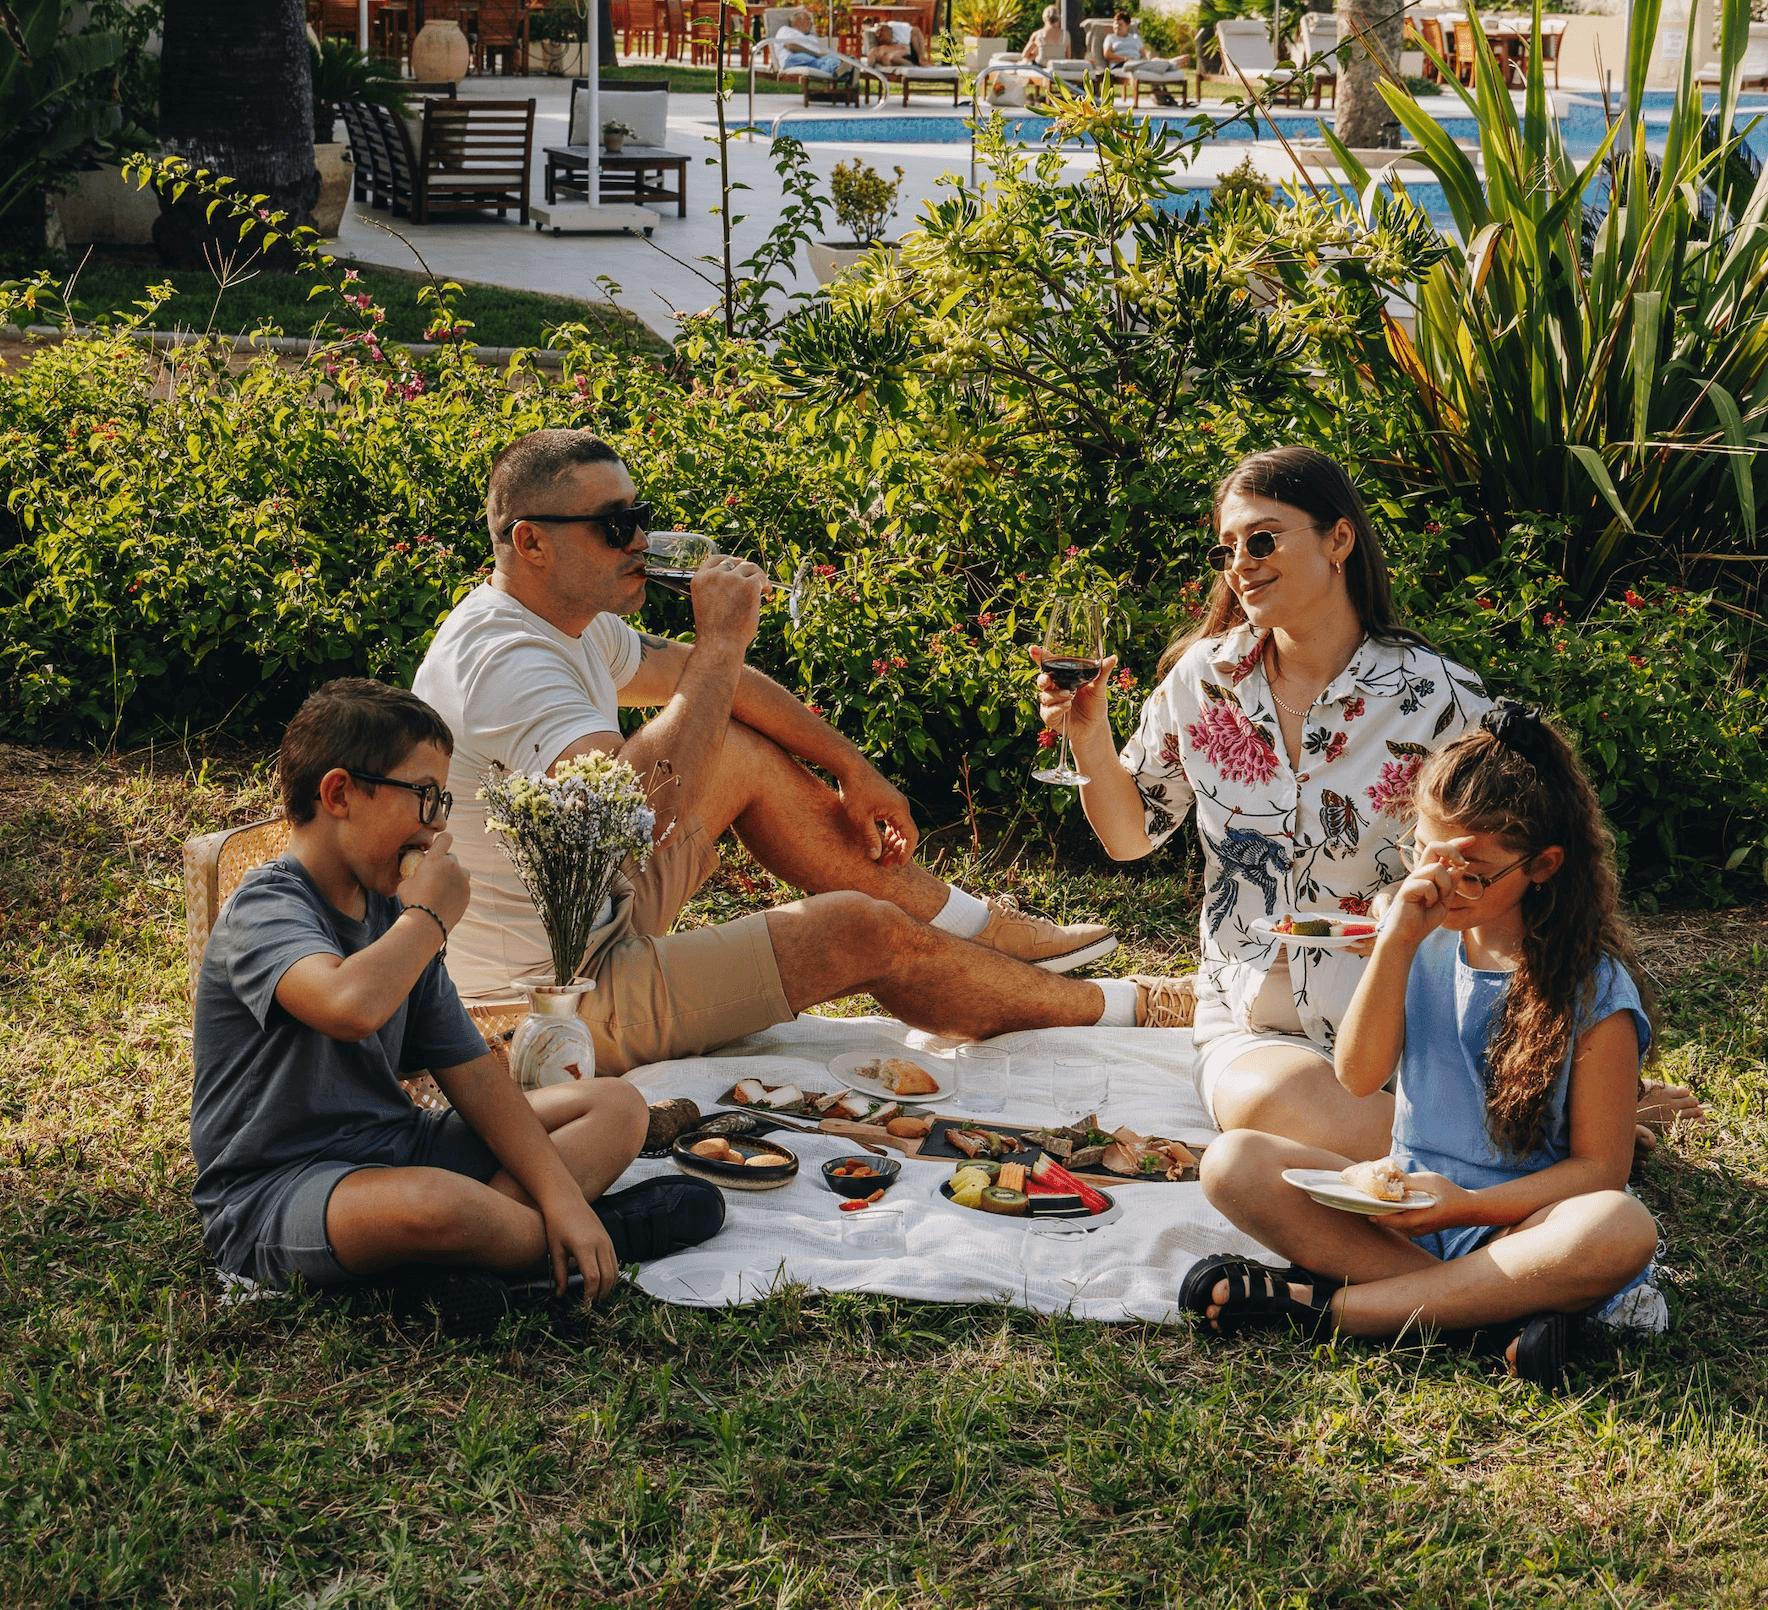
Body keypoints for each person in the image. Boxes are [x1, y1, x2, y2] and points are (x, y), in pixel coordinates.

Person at [411, 430, 1189, 1075]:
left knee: (736, 749)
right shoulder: (509, 664)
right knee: (861, 930)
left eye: (640, 517)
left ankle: (977, 928)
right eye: (615, 525)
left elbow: (719, 687)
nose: (642, 541)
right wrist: (720, 639)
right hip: (551, 1000)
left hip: (592, 909)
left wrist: (855, 767)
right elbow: (629, 822)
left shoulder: (562, 619)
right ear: (531, 542)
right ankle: (1124, 1005)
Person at [1036, 446, 1702, 1157]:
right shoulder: (1204, 681)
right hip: (1250, 1019)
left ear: (1339, 540)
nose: (1241, 562)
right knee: (1273, 1108)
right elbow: (1130, 837)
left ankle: (1566, 1130)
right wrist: (1090, 735)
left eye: (1262, 539)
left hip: (1411, 1019)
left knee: (1361, 1126)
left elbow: (1512, 871)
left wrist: (1414, 906)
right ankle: (1567, 1142)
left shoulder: (1439, 699)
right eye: (1227, 548)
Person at [189, 679, 724, 1330]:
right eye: (424, 796)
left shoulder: (393, 911)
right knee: (434, 1205)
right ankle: (602, 1236)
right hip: (278, 1192)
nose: (440, 822)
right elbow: (346, 1004)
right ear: (339, 794)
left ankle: (487, 1257)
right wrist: (429, 918)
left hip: (398, 1145)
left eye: (443, 799)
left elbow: (473, 1073)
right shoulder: (268, 908)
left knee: (616, 1106)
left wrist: (560, 1195)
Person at [1184, 703, 1664, 1388]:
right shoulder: (1421, 940)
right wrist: (1397, 943)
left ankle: (1331, 1311)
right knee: (1233, 1162)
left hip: (1520, 1230)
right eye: (1428, 854)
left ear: (1544, 865)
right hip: (1398, 1216)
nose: (1443, 884)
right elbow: (1356, 1075)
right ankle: (1490, 1318)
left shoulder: (1594, 990)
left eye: (1474, 873)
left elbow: (1599, 1173)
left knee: (1620, 1227)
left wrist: (1464, 1206)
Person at [1101, 9, 1178, 104]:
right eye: (1115, 24)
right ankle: (1161, 89)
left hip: (1139, 63)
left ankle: (1159, 90)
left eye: (1120, 24)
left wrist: (1144, 61)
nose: (1116, 27)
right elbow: (1107, 54)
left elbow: (1144, 56)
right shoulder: (1110, 38)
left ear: (1127, 25)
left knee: (1156, 61)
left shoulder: (1135, 38)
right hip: (1122, 65)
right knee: (1159, 64)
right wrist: (1125, 59)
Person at [771, 8, 854, 82]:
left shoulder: (811, 36)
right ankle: (843, 71)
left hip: (814, 60)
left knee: (827, 60)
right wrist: (816, 54)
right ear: (798, 20)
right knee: (825, 60)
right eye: (808, 20)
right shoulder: (786, 30)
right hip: (792, 58)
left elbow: (819, 55)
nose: (812, 23)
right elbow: (790, 46)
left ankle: (840, 70)